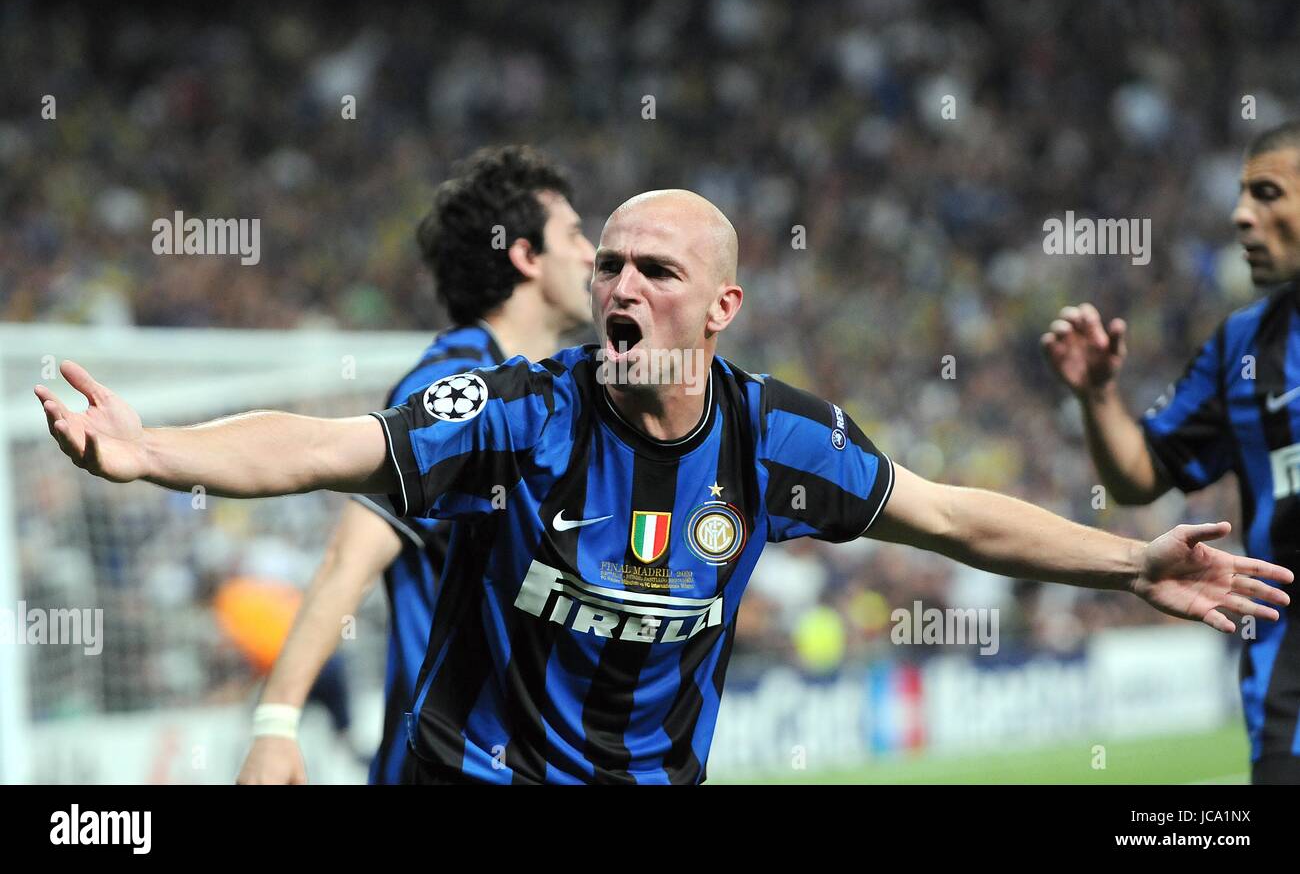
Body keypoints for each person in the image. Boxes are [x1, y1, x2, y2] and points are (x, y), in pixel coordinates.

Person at [37, 189, 1292, 785]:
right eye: (611, 265)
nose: (622, 285)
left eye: (655, 270)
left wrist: (1132, 563)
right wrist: (154, 455)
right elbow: (326, 448)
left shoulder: (775, 439)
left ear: (722, 307)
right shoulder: (519, 412)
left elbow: (955, 515)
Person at [236, 146, 595, 784]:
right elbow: (351, 557)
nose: (592, 253)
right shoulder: (454, 387)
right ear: (525, 256)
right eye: (573, 233)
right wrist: (277, 722)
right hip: (449, 766)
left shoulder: (563, 395)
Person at [1041, 121, 1300, 785]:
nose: (1242, 216)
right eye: (1242, 196)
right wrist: (1098, 395)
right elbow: (1137, 477)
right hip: (1290, 685)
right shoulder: (1243, 347)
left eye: (1267, 194)